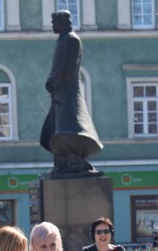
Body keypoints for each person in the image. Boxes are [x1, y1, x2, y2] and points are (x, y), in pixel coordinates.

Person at [40, 10, 102, 177]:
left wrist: (54, 80)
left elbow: (69, 66)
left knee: (70, 127)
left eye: (54, 22)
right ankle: (62, 163)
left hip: (67, 93)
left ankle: (73, 160)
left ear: (62, 23)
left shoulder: (72, 40)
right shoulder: (62, 40)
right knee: (57, 128)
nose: (52, 26)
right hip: (58, 93)